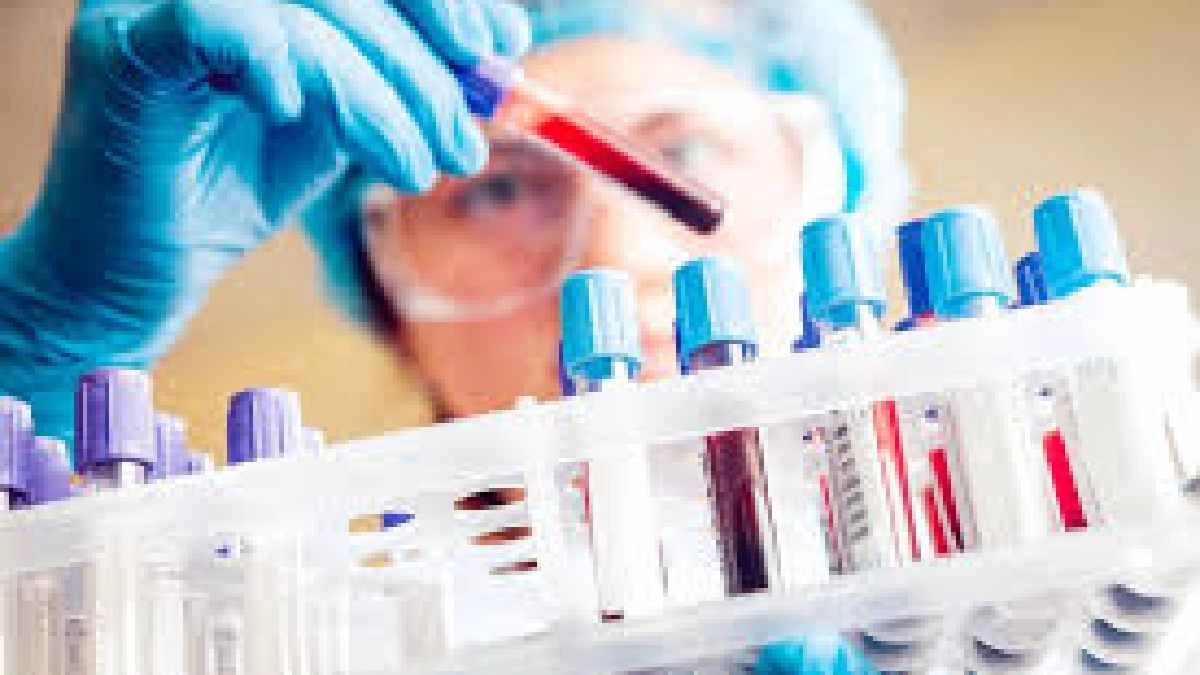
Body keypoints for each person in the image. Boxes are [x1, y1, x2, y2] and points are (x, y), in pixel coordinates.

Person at [0, 1, 903, 670]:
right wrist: (44, 354)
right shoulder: (298, 639)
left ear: (840, 222)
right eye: (497, 189)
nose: (614, 259)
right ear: (392, 310)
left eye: (688, 153)